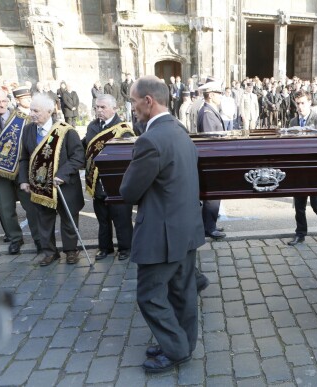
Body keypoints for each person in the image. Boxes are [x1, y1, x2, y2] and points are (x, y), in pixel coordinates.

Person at [119, 75, 204, 373]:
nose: (132, 107)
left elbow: (129, 191)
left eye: (132, 101)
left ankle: (177, 349)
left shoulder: (151, 140)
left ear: (148, 101)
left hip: (162, 234)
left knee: (150, 295)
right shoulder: (179, 130)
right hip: (186, 228)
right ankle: (181, 342)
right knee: (183, 292)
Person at [18, 93, 85, 266]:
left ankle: (70, 251)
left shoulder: (66, 131)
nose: (32, 114)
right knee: (44, 220)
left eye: (36, 111)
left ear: (49, 111)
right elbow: (24, 157)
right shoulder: (28, 130)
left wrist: (62, 175)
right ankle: (49, 252)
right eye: (31, 110)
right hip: (40, 185)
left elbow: (78, 157)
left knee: (68, 220)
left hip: (64, 185)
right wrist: (24, 180)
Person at [0, 87, 41, 253]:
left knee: (31, 206)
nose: (1, 104)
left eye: (4, 100)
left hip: (21, 169)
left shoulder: (22, 118)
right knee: (5, 208)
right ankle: (15, 239)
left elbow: (33, 141)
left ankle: (39, 238)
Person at [83, 94, 134, 261]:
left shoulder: (123, 129)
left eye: (102, 107)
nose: (99, 110)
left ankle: (126, 247)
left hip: (117, 182)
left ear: (114, 108)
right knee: (103, 218)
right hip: (97, 181)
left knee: (121, 218)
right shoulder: (92, 127)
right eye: (97, 107)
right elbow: (85, 148)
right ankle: (105, 247)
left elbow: (128, 156)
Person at [287, 90, 317, 246]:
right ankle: (300, 234)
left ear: (309, 103)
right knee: (299, 205)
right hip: (298, 170)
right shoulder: (293, 122)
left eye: (302, 103)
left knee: (316, 203)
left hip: (315, 170)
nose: (299, 107)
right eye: (297, 103)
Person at [197, 81, 226, 239]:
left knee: (214, 196)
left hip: (215, 160)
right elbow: (210, 142)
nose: (221, 96)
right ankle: (208, 228)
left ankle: (211, 225)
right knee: (211, 197)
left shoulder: (210, 111)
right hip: (212, 161)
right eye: (219, 94)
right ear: (212, 95)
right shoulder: (207, 113)